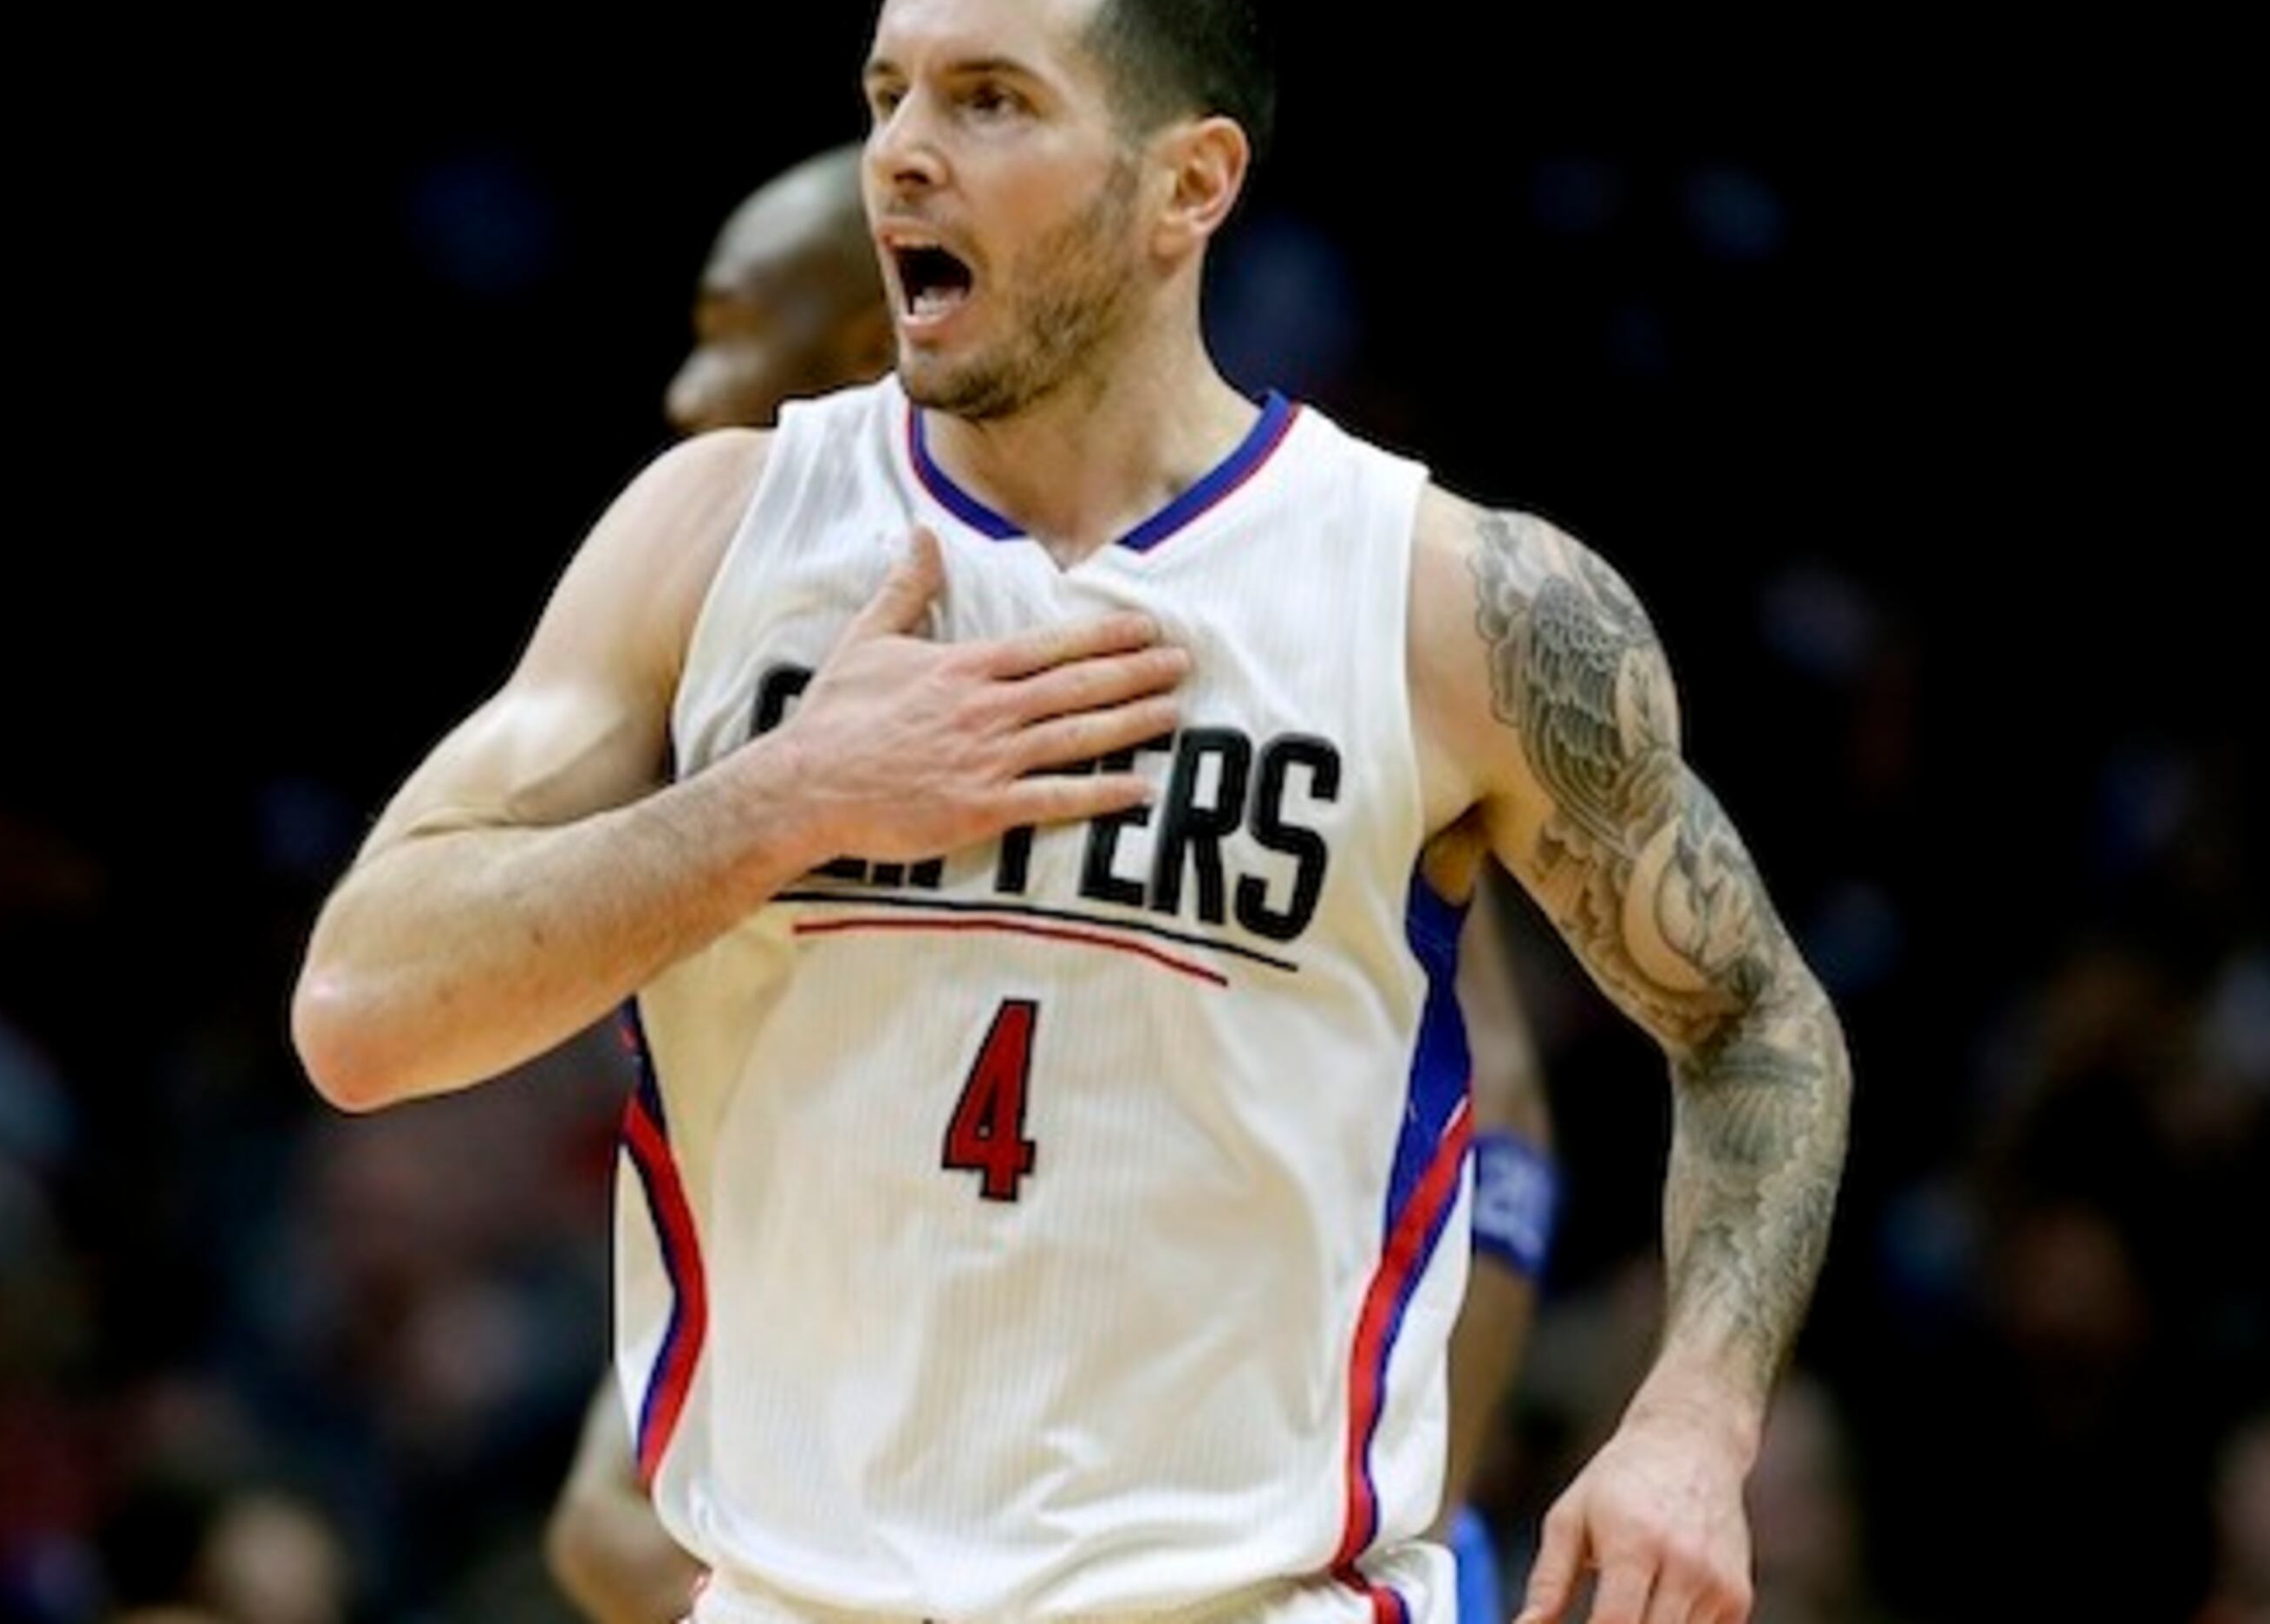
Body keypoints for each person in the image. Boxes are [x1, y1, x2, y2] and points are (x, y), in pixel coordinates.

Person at [293, 0, 1852, 1624]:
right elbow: (363, 1012)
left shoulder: (1448, 600)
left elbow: (1753, 1022)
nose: (901, 152)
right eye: (887, 96)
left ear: (1189, 184)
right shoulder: (716, 533)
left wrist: (1696, 1419)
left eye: (989, 100)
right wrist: (788, 798)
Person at [540, 140, 1572, 1624]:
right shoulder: (706, 606)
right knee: (609, 1525)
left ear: (859, 337)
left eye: (723, 330)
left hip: (1207, 1492)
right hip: (852, 1344)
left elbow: (1508, 1132)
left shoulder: (1251, 623)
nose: (688, 390)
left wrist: (1428, 1495)